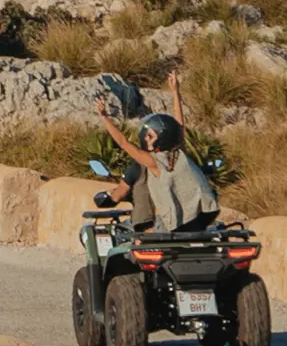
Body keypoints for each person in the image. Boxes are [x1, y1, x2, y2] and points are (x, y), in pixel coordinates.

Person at [92, 71, 220, 233]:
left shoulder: (153, 162)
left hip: (185, 223)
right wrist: (175, 92)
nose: (145, 138)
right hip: (208, 213)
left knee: (152, 239)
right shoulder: (179, 152)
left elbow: (123, 143)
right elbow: (178, 125)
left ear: (160, 139)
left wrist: (104, 117)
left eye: (150, 136)